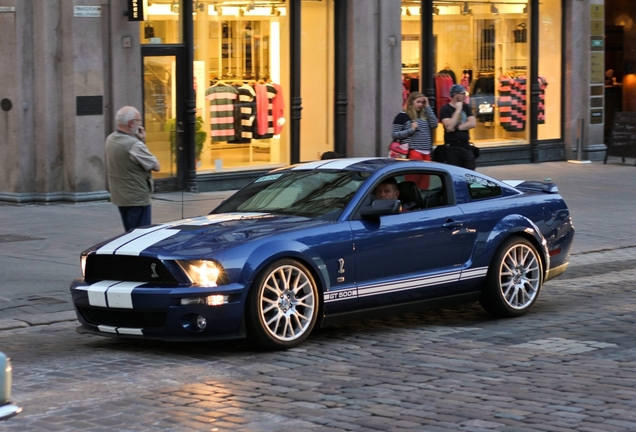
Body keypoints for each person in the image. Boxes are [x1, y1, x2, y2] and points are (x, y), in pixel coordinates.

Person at [105, 106, 161, 232]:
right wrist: (142, 141)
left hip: (120, 195)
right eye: (139, 120)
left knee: (129, 233)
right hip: (137, 198)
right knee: (139, 235)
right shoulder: (134, 145)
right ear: (131, 123)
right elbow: (156, 166)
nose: (141, 124)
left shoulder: (111, 139)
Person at [391, 92, 439, 162]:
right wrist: (411, 129)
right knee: (414, 173)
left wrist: (427, 106)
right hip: (413, 150)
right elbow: (394, 135)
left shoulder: (425, 114)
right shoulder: (402, 116)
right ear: (411, 102)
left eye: (422, 102)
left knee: (426, 173)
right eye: (418, 102)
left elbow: (434, 124)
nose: (420, 104)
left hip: (427, 152)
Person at [439, 84, 477, 170]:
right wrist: (457, 110)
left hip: (465, 145)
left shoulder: (466, 107)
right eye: (463, 93)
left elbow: (472, 123)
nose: (465, 96)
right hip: (452, 147)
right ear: (456, 95)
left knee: (470, 173)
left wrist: (457, 128)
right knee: (455, 174)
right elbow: (449, 127)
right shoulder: (445, 109)